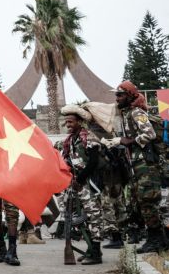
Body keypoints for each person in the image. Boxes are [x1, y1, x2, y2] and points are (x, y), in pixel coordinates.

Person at [104, 81, 164, 253]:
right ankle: (159, 239)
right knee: (141, 202)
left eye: (120, 95)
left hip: (146, 166)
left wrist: (126, 141)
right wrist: (116, 143)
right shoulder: (126, 114)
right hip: (136, 165)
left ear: (130, 96)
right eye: (116, 95)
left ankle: (155, 239)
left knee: (148, 202)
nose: (117, 98)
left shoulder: (137, 112)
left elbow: (150, 134)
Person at [60, 104, 104, 265]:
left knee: (94, 217)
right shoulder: (70, 141)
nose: (68, 125)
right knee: (80, 218)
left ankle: (96, 253)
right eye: (66, 122)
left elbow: (93, 162)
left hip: (90, 184)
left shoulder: (89, 137)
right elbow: (68, 162)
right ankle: (90, 249)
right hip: (77, 184)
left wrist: (80, 180)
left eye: (71, 122)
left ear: (79, 122)